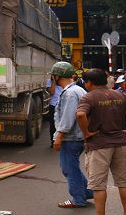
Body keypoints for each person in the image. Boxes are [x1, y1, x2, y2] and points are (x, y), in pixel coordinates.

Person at [77, 68, 126, 215]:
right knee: (124, 182)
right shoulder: (119, 95)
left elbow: (81, 114)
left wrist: (86, 133)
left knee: (99, 185)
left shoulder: (88, 97)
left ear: (89, 83)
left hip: (98, 145)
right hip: (121, 143)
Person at [50, 61, 93, 208]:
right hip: (77, 136)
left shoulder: (70, 93)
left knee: (69, 168)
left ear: (57, 76)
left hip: (71, 137)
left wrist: (59, 137)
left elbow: (68, 118)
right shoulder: (77, 90)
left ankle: (78, 199)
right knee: (71, 166)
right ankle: (85, 192)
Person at [46, 71, 63, 147]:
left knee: (63, 124)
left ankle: (62, 140)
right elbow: (52, 92)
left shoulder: (63, 81)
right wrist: (54, 81)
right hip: (54, 105)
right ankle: (53, 141)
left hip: (63, 104)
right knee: (53, 124)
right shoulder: (49, 82)